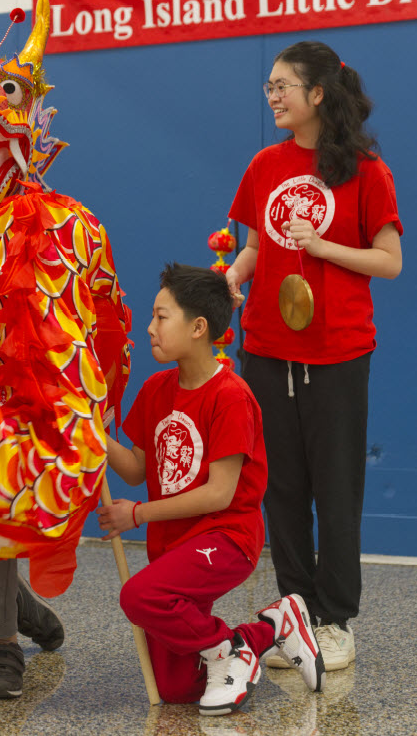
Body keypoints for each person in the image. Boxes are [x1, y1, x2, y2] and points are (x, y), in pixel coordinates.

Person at [225, 41, 403, 672]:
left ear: (318, 93)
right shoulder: (265, 164)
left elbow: (390, 261)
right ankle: (295, 614)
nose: (273, 97)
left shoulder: (366, 170)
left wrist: (324, 248)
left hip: (336, 355)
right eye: (269, 87)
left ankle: (335, 621)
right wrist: (234, 276)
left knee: (336, 490)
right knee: (281, 490)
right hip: (266, 350)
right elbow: (255, 247)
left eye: (284, 86)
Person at [97, 263, 324, 715]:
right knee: (179, 687)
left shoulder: (231, 396)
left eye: (161, 317)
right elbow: (138, 470)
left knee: (140, 596)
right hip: (175, 546)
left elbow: (220, 494)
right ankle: (273, 627)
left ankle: (227, 652)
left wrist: (136, 515)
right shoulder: (156, 389)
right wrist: (93, 435)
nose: (150, 328)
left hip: (225, 539)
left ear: (198, 327)